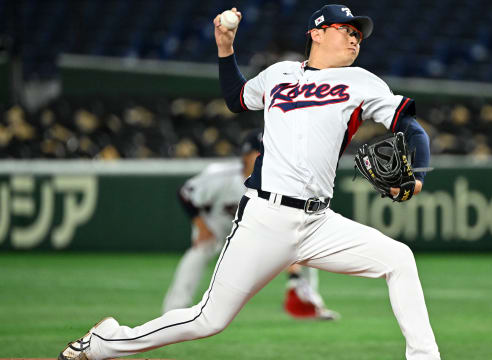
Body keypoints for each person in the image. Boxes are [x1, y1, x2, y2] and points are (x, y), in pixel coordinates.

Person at [59, 5, 440, 360]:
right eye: (347, 29)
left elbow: (410, 126)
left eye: (360, 33)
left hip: (319, 223)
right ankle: (105, 341)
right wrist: (226, 48)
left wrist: (418, 174)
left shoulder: (361, 82)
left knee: (399, 259)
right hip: (266, 218)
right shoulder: (278, 74)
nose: (356, 37)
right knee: (208, 319)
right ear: (318, 33)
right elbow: (236, 97)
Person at [163, 129, 339, 320]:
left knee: (304, 249)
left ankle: (308, 306)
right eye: (260, 152)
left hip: (257, 228)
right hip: (218, 225)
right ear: (246, 155)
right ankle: (174, 309)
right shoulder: (220, 175)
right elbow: (185, 194)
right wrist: (202, 227)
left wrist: (292, 265)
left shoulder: (281, 183)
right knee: (201, 250)